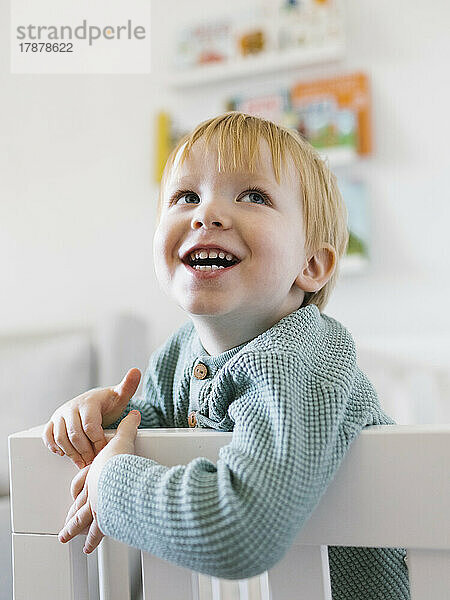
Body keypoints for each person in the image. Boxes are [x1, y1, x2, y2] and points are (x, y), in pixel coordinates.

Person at [43, 112, 410, 599]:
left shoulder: (302, 357)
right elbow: (150, 427)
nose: (206, 214)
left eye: (253, 196)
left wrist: (111, 482)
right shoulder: (178, 354)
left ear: (312, 264)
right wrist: (105, 417)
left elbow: (241, 528)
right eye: (186, 196)